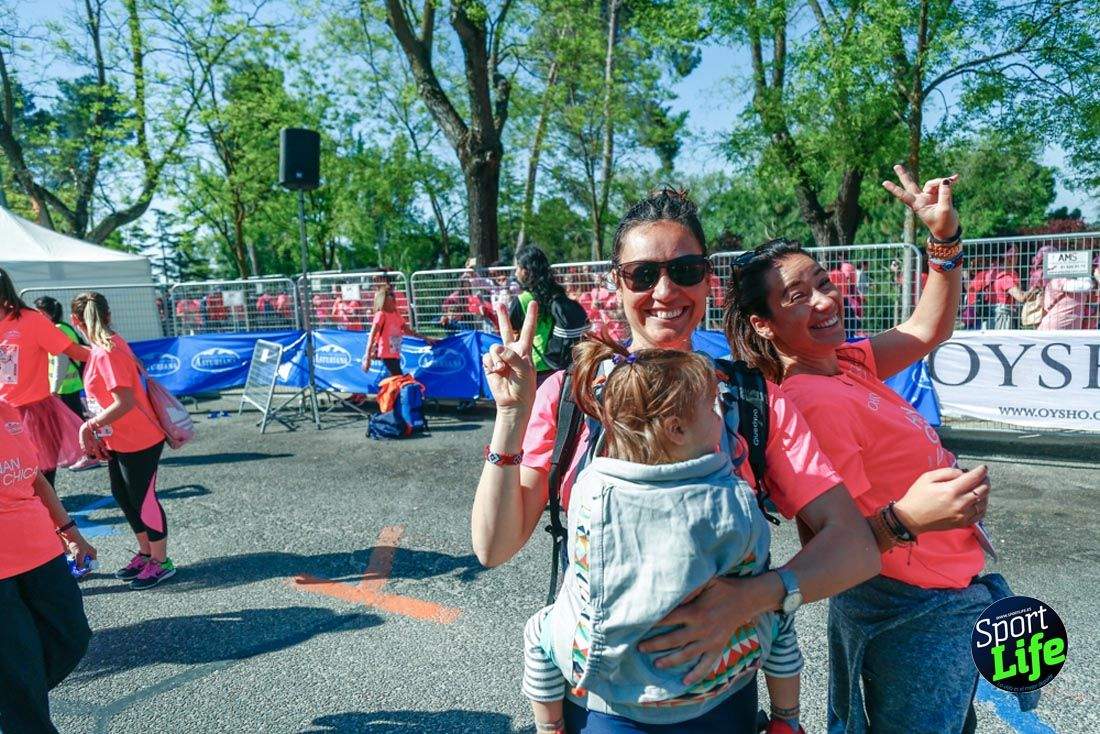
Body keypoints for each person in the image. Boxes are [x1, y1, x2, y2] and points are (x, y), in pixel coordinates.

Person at [473, 188, 881, 733]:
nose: (665, 291)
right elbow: (494, 546)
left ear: (708, 279)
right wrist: (511, 414)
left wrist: (750, 599)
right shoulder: (569, 398)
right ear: (616, 283)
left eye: (685, 269)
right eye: (643, 274)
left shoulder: (748, 401)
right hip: (600, 709)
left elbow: (854, 547)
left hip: (722, 706)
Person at [722, 167, 1005, 733]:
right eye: (796, 297)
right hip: (907, 607)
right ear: (765, 323)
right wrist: (908, 521)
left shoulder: (846, 363)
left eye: (823, 282)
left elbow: (928, 328)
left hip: (947, 596)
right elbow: (829, 544)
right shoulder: (808, 400)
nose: (823, 301)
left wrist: (943, 240)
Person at [522, 337, 805, 734]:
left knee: (538, 629)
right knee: (781, 613)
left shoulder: (591, 490)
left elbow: (583, 579)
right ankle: (786, 718)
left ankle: (548, 727)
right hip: (717, 671)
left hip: (612, 673)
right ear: (676, 429)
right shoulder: (735, 496)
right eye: (713, 408)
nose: (721, 415)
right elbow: (753, 568)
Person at [0, 397, 94, 734]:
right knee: (18, 672)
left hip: (41, 551)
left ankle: (16, 700)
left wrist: (71, 533)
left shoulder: (7, 411)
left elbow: (36, 479)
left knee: (72, 637)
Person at [71, 291, 176, 590]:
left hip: (139, 436)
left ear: (75, 320)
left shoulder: (108, 351)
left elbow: (125, 402)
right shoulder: (103, 347)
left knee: (143, 500)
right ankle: (146, 553)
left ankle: (161, 561)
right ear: (109, 315)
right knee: (123, 495)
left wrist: (88, 427)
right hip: (120, 437)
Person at [0, 267, 89, 489]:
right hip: (3, 415)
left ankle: (53, 522)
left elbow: (74, 351)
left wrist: (111, 353)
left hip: (34, 415)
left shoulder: (31, 321)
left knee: (38, 483)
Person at [35, 296, 103, 472]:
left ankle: (91, 455)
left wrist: (54, 388)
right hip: (66, 385)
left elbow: (61, 361)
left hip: (67, 386)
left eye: (38, 312)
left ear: (44, 313)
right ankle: (81, 453)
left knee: (77, 422)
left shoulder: (58, 329)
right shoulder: (59, 327)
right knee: (71, 422)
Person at [508, 245, 580, 383]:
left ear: (527, 271)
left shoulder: (522, 300)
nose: (516, 272)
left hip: (534, 363)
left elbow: (513, 332)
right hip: (559, 362)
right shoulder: (557, 293)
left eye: (518, 267)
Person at [363, 285, 434, 378]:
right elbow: (372, 336)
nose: (393, 297)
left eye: (393, 294)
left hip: (395, 354)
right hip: (386, 355)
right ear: (382, 298)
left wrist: (425, 338)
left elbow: (408, 331)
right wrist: (367, 358)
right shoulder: (381, 315)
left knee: (392, 383)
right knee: (398, 380)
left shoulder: (396, 315)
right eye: (390, 295)